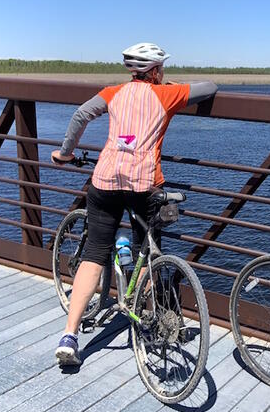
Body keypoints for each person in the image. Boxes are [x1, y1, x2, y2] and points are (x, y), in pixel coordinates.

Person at [51, 42, 217, 366]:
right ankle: (142, 317)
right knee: (148, 246)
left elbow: (81, 114)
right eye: (161, 69)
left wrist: (66, 152)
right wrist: (169, 87)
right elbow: (211, 88)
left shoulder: (113, 93)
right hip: (144, 185)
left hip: (105, 181)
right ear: (155, 71)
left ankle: (70, 335)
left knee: (94, 253)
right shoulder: (166, 95)